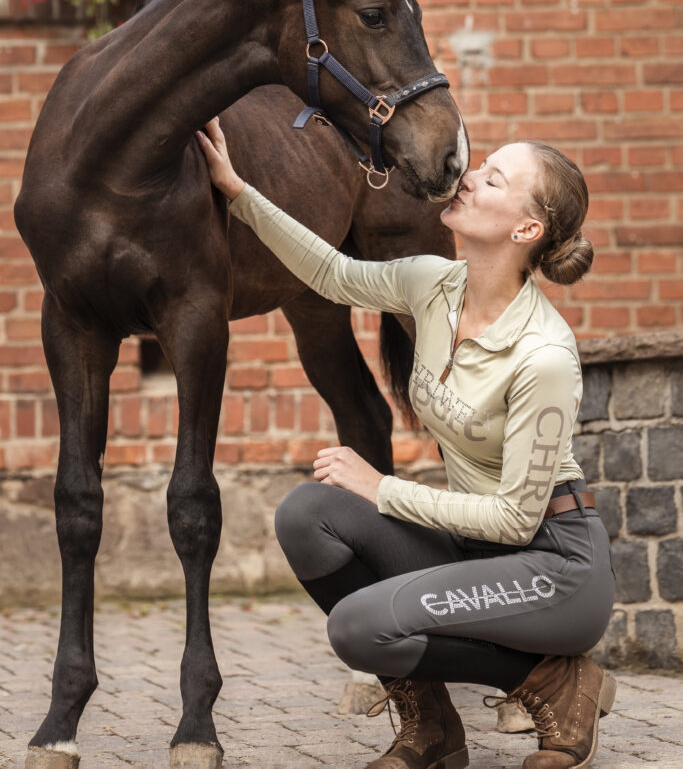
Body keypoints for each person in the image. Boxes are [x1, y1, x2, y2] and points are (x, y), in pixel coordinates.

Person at [197, 118, 616, 769]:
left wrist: (381, 489)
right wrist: (238, 191)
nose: (468, 175)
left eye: (492, 177)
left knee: (360, 629)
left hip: (553, 567)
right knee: (306, 514)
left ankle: (555, 681)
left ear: (525, 230)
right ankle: (432, 730)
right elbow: (333, 274)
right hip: (474, 551)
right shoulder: (433, 285)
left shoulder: (543, 354)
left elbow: (513, 519)